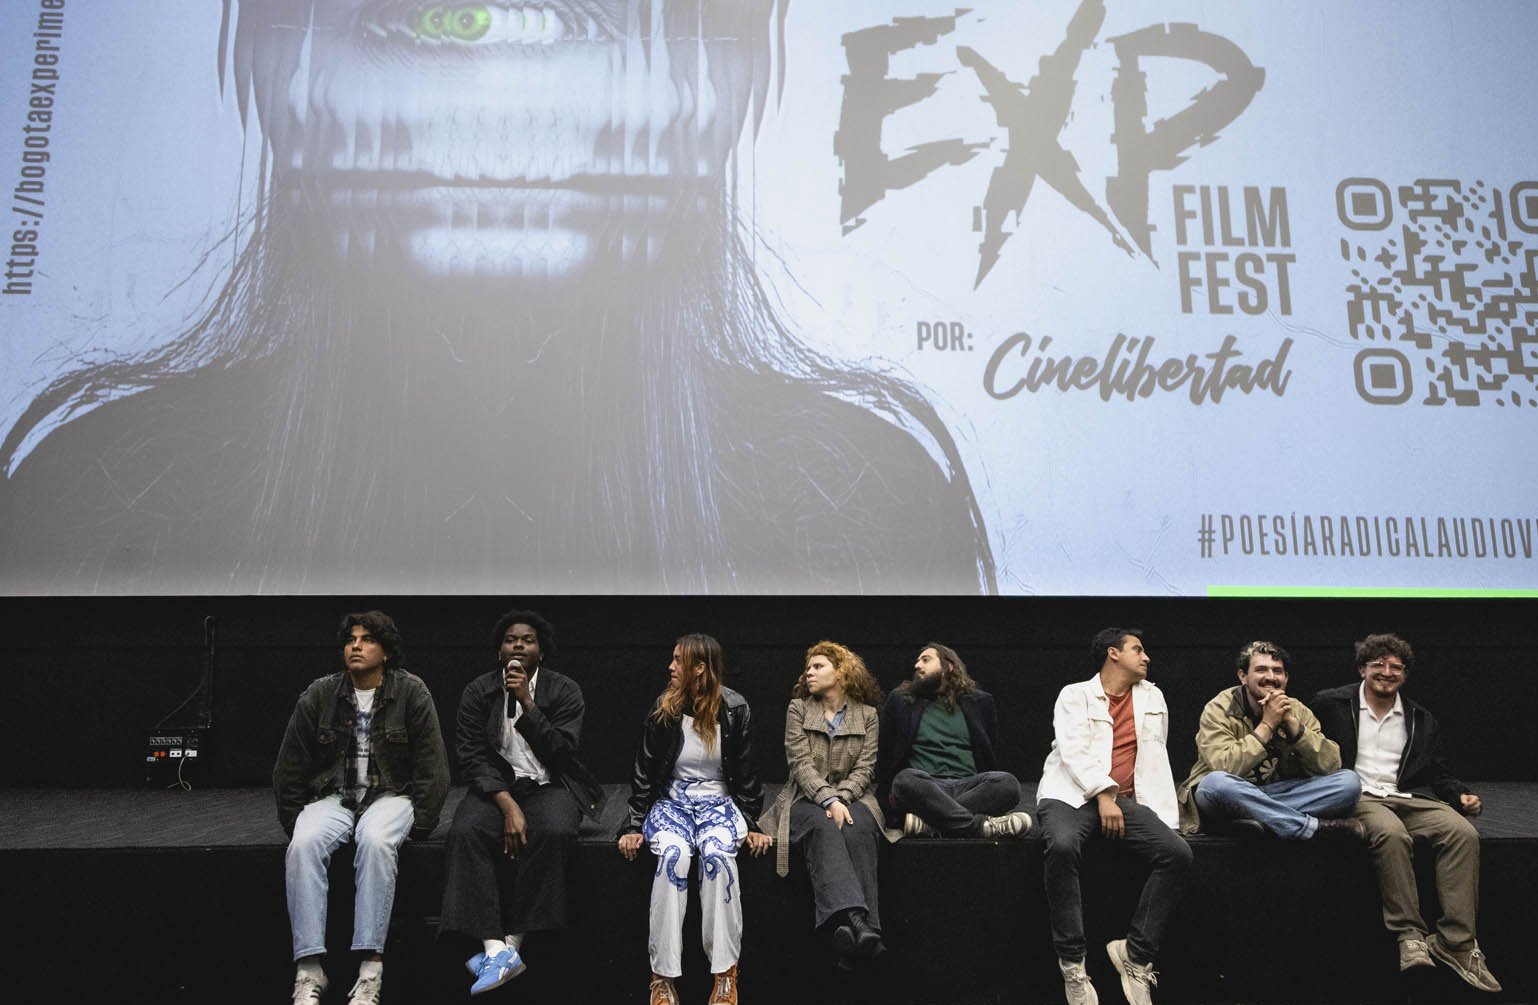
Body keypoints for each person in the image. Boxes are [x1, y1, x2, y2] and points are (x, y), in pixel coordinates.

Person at [0, 0, 995, 596]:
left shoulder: (863, 499)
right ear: (273, 72)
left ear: (720, 92)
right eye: (432, 23)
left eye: (572, 23)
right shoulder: (96, 490)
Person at [272, 610, 449, 1005]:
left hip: (391, 795)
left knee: (375, 841)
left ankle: (371, 969)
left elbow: (433, 766)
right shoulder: (320, 694)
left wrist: (421, 824)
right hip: (334, 797)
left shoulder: (411, 692)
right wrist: (295, 820)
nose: (356, 646)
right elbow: (289, 767)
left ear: (386, 652)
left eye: (367, 639)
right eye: (351, 639)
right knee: (303, 844)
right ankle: (309, 970)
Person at [1309, 634, 1501, 992]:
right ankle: (1409, 934)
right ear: (1362, 669)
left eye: (1396, 667)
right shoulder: (1330, 704)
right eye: (1378, 664)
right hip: (1355, 794)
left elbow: (1438, 773)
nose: (1387, 672)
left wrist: (1461, 795)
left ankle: (1456, 943)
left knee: (1462, 832)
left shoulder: (1420, 718)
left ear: (1405, 675)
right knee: (1391, 833)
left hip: (1402, 796)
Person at [440, 610, 603, 995]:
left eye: (527, 640)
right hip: (496, 788)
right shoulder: (478, 691)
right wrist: (508, 805)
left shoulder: (564, 690)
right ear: (500, 651)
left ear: (541, 652)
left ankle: (512, 944)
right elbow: (471, 756)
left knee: (554, 830)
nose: (518, 645)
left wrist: (528, 703)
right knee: (465, 832)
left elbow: (563, 752)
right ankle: (493, 946)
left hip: (550, 784)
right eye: (510, 640)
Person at [1038, 627, 1191, 1005]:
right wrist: (1104, 795)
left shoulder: (1153, 697)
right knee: (1062, 846)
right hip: (1070, 794)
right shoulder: (1074, 694)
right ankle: (1073, 962)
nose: (1146, 657)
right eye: (1137, 649)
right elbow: (1072, 750)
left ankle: (1135, 955)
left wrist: (1159, 815)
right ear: (1113, 653)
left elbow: (1155, 757)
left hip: (1124, 800)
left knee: (1177, 854)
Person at [617, 634, 770, 1005]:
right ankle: (662, 977)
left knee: (718, 857)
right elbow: (644, 772)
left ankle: (725, 973)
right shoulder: (664, 707)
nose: (670, 667)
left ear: (699, 668)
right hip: (673, 802)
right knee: (673, 857)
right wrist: (633, 824)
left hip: (719, 803)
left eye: (677, 660)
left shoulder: (736, 708)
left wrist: (752, 823)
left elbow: (748, 775)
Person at [759, 641, 887, 968]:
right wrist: (829, 800)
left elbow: (866, 768)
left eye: (818, 666)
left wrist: (842, 798)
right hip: (804, 798)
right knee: (823, 824)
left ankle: (852, 936)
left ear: (841, 672)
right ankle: (862, 925)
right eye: (808, 668)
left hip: (854, 796)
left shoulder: (867, 715)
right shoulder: (798, 709)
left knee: (860, 827)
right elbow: (800, 764)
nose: (809, 673)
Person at [1177, 640, 1363, 838]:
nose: (1271, 677)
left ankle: (1261, 818)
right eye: (1261, 670)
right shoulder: (1219, 708)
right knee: (1214, 784)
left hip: (1277, 792)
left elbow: (1330, 765)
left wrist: (1293, 726)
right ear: (1243, 676)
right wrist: (1267, 725)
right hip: (1233, 792)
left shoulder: (1296, 710)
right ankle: (1309, 827)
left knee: (1349, 783)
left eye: (1277, 671)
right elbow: (1225, 766)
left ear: (1286, 678)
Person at [876, 643, 1030, 839]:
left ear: (948, 666)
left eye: (925, 660)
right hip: (925, 786)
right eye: (917, 661)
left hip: (969, 785)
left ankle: (933, 823)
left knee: (1008, 784)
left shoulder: (980, 702)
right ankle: (979, 826)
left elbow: (989, 749)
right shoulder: (901, 700)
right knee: (904, 780)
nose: (917, 665)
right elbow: (885, 753)